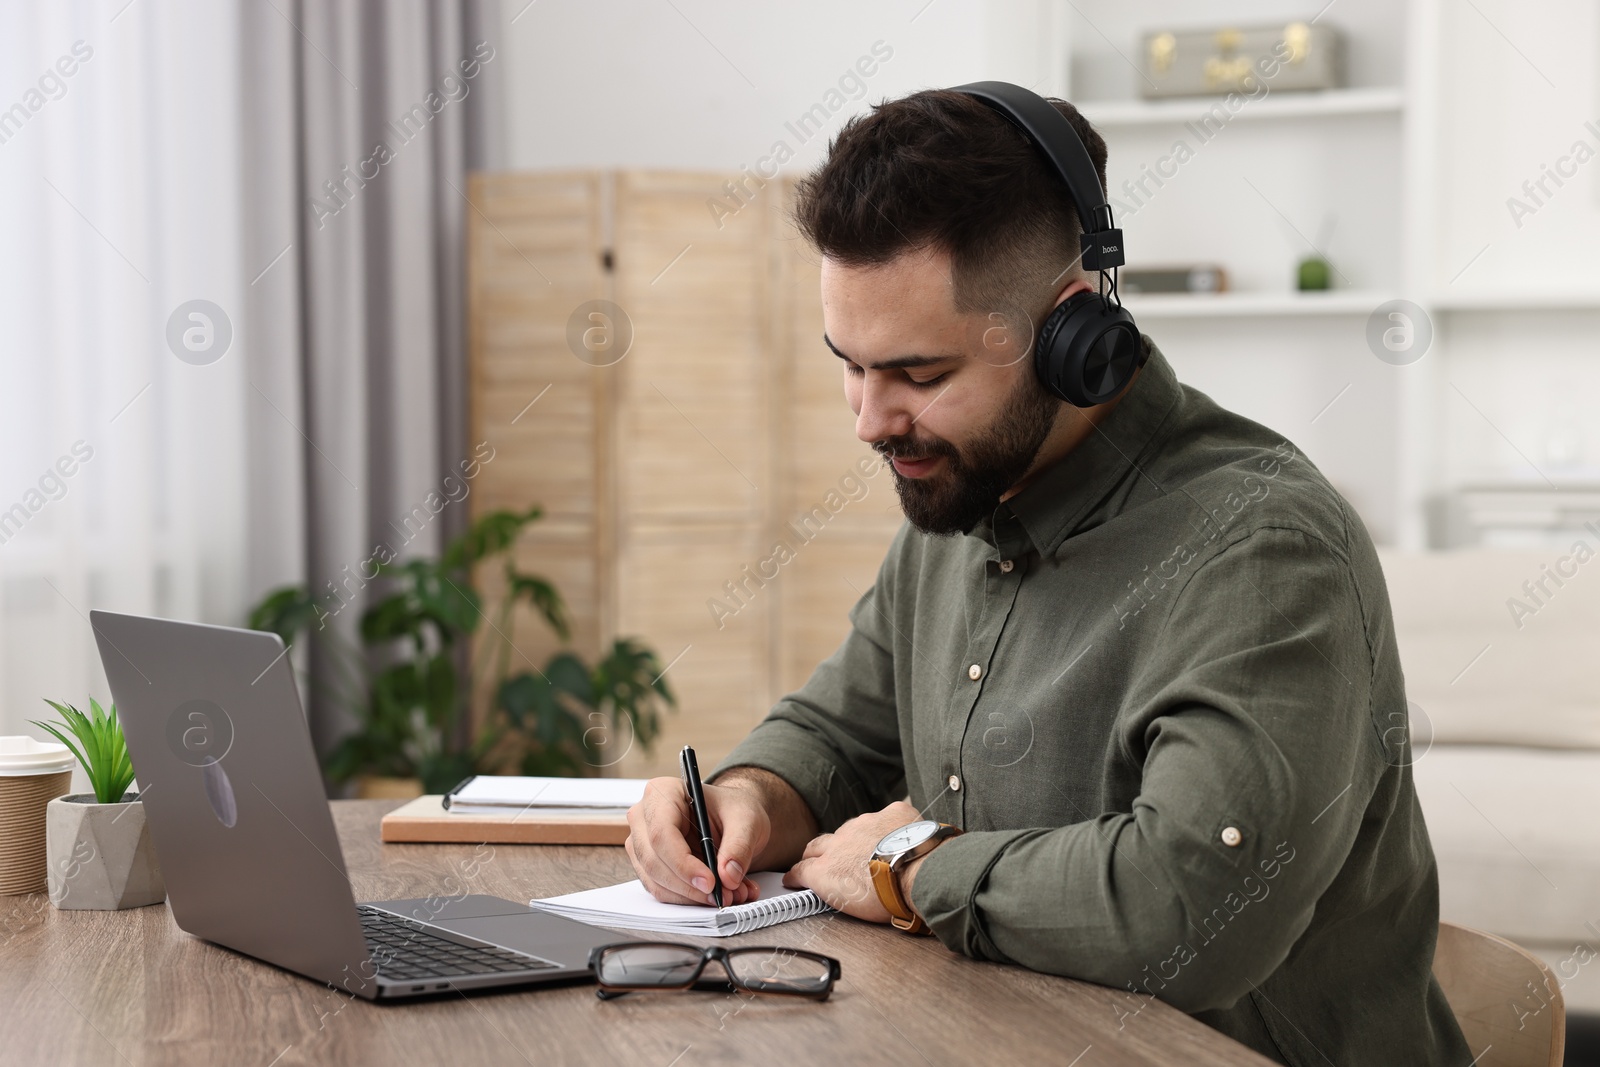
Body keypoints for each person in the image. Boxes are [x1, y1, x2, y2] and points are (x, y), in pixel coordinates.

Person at [624, 86, 1470, 1066]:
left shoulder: (1264, 547)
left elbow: (1193, 904)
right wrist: (749, 799)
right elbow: (834, 731)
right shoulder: (956, 501)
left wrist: (910, 865)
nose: (867, 418)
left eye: (920, 373)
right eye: (849, 365)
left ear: (1074, 339)